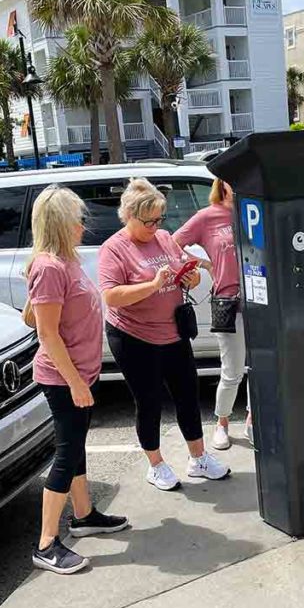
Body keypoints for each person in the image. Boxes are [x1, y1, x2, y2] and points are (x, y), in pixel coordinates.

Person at [99, 178, 230, 491]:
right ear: (129, 216)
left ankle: (198, 458)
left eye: (160, 219)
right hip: (134, 336)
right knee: (149, 401)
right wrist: (153, 286)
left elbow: (184, 267)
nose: (156, 226)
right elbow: (111, 296)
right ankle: (155, 464)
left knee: (187, 393)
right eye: (149, 221)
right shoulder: (113, 249)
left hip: (173, 332)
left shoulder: (164, 237)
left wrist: (191, 276)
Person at [27, 185, 129, 576]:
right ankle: (46, 543)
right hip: (63, 377)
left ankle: (84, 515)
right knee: (67, 453)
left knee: (78, 447)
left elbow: (34, 316)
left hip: (81, 372)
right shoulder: (50, 267)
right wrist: (75, 382)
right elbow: (47, 334)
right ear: (59, 222)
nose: (82, 224)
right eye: (77, 217)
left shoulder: (63, 262)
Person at [173, 179, 252, 450]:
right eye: (230, 177)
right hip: (228, 301)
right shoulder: (208, 216)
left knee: (262, 368)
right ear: (222, 183)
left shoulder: (254, 208)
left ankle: (253, 420)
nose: (236, 181)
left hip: (261, 300)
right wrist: (205, 264)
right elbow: (173, 244)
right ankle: (223, 422)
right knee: (232, 371)